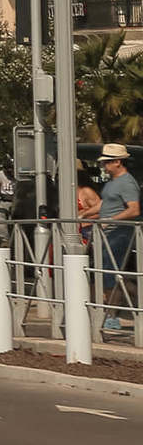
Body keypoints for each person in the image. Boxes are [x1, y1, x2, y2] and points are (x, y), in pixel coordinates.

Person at [95, 145, 138, 338]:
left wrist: (110, 221)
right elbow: (105, 203)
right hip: (108, 234)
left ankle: (111, 316)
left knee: (112, 274)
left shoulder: (127, 183)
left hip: (120, 234)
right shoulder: (112, 182)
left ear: (117, 162)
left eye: (106, 162)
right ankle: (116, 311)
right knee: (111, 274)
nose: (103, 165)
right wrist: (83, 214)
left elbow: (134, 210)